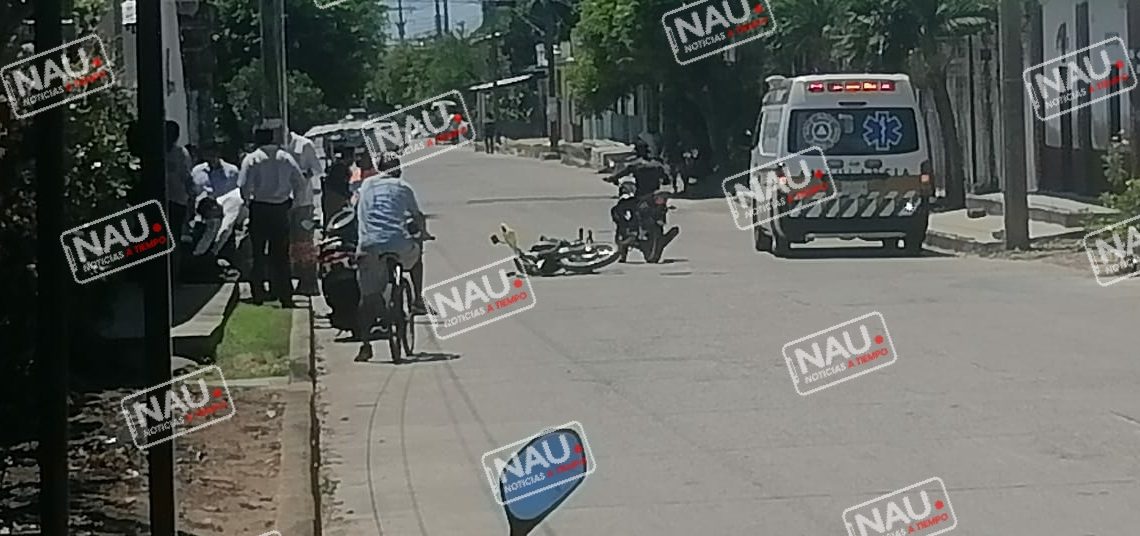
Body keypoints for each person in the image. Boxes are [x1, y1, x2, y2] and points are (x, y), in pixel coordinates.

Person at [352, 153, 430, 363]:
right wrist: (423, 233)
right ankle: (418, 299)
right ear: (399, 170)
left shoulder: (365, 185)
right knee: (417, 252)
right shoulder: (403, 187)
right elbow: (417, 216)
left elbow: (355, 208)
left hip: (369, 247)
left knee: (367, 299)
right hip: (400, 245)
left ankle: (365, 345)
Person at [239, 127, 309, 308]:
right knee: (281, 255)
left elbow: (244, 186)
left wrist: (248, 202)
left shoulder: (252, 158)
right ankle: (284, 294)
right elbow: (300, 183)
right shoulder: (286, 157)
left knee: (258, 253)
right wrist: (293, 203)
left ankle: (258, 294)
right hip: (280, 209)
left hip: (260, 208)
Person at [604, 138, 680, 259]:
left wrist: (612, 178)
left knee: (617, 210)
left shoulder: (635, 165)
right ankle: (655, 238)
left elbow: (620, 174)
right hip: (654, 197)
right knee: (657, 210)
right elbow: (667, 178)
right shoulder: (657, 165)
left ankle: (628, 232)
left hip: (641, 197)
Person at [286, 131, 323, 295]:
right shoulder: (273, 147)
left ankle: (308, 282)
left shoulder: (304, 144)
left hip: (303, 203)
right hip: (282, 202)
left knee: (304, 243)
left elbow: (317, 168)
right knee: (285, 244)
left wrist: (302, 176)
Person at [165, 120, 193, 280]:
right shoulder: (180, 153)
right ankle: (173, 276)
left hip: (170, 201)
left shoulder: (158, 152)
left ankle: (169, 275)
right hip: (177, 201)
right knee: (173, 239)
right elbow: (187, 177)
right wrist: (191, 198)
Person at [321, 145, 354, 224]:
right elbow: (339, 186)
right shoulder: (340, 168)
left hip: (332, 196)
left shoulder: (339, 167)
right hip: (335, 197)